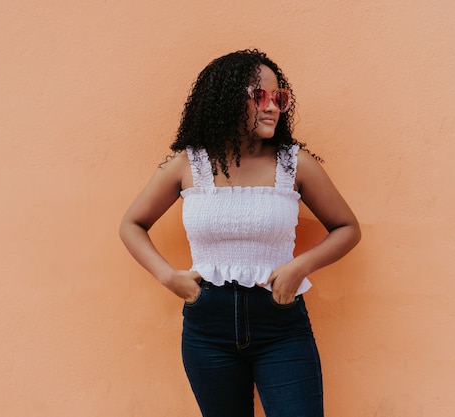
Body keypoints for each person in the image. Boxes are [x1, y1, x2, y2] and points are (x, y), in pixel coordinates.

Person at [119, 49, 361, 417]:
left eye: (280, 98)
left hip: (280, 323)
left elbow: (347, 228)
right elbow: (132, 224)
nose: (273, 107)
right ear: (227, 99)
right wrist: (169, 277)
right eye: (260, 96)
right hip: (207, 326)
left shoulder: (294, 164)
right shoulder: (188, 163)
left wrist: (300, 266)